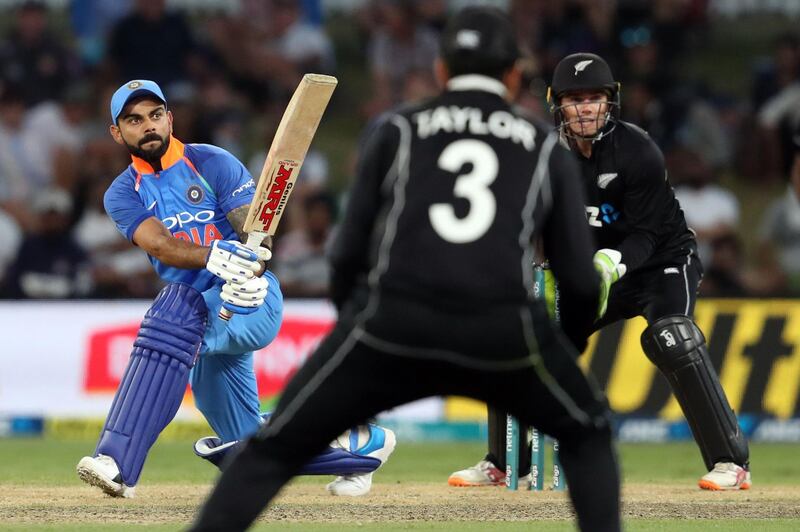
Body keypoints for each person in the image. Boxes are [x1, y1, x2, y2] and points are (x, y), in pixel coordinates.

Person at [191, 8, 621, 532]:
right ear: (513, 74)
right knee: (589, 431)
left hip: (395, 323)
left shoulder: (396, 128)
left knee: (274, 446)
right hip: (502, 328)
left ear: (441, 70)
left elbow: (348, 255)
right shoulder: (541, 144)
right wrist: (563, 347)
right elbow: (577, 279)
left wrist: (357, 328)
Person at [75, 79, 395, 499]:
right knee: (249, 443)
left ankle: (117, 461)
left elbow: (257, 236)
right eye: (134, 120)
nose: (148, 126)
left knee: (172, 310)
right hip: (199, 315)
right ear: (118, 133)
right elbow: (158, 244)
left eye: (155, 115)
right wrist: (211, 255)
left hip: (250, 300)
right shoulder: (122, 192)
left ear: (169, 118)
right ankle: (362, 447)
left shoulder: (211, 162)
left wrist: (251, 261)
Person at [449, 52, 751, 492]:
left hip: (660, 261)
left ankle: (731, 463)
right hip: (589, 268)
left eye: (594, 98)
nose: (585, 108)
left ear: (611, 103)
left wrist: (613, 261)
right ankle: (508, 462)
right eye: (575, 99)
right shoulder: (545, 155)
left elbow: (648, 232)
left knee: (673, 338)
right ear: (558, 105)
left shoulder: (638, 150)